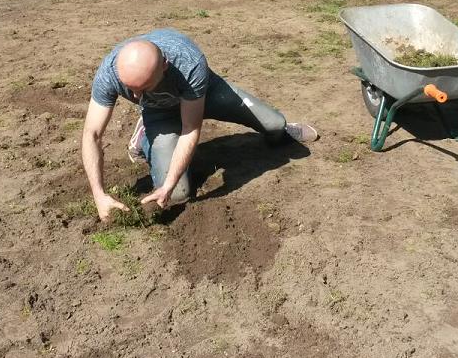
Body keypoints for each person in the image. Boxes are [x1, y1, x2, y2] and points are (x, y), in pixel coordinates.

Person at [82, 28, 318, 222]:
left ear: (164, 65)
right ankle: (146, 134)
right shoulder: (110, 72)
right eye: (129, 89)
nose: (134, 98)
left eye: (143, 88)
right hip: (159, 112)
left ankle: (282, 129)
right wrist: (99, 194)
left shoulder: (188, 61)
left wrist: (170, 179)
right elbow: (91, 134)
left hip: (203, 94)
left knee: (275, 124)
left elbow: (190, 129)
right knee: (177, 194)